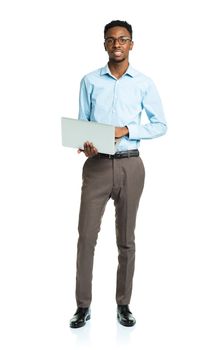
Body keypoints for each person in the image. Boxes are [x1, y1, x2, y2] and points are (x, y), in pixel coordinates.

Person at [69, 20, 167, 328]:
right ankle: (82, 306)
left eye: (123, 39)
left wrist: (127, 129)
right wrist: (85, 144)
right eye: (111, 40)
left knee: (126, 239)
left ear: (131, 44)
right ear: (104, 44)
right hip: (96, 167)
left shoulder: (144, 83)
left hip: (131, 165)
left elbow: (160, 124)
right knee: (86, 237)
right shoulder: (89, 81)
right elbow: (82, 124)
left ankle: (123, 304)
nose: (116, 44)